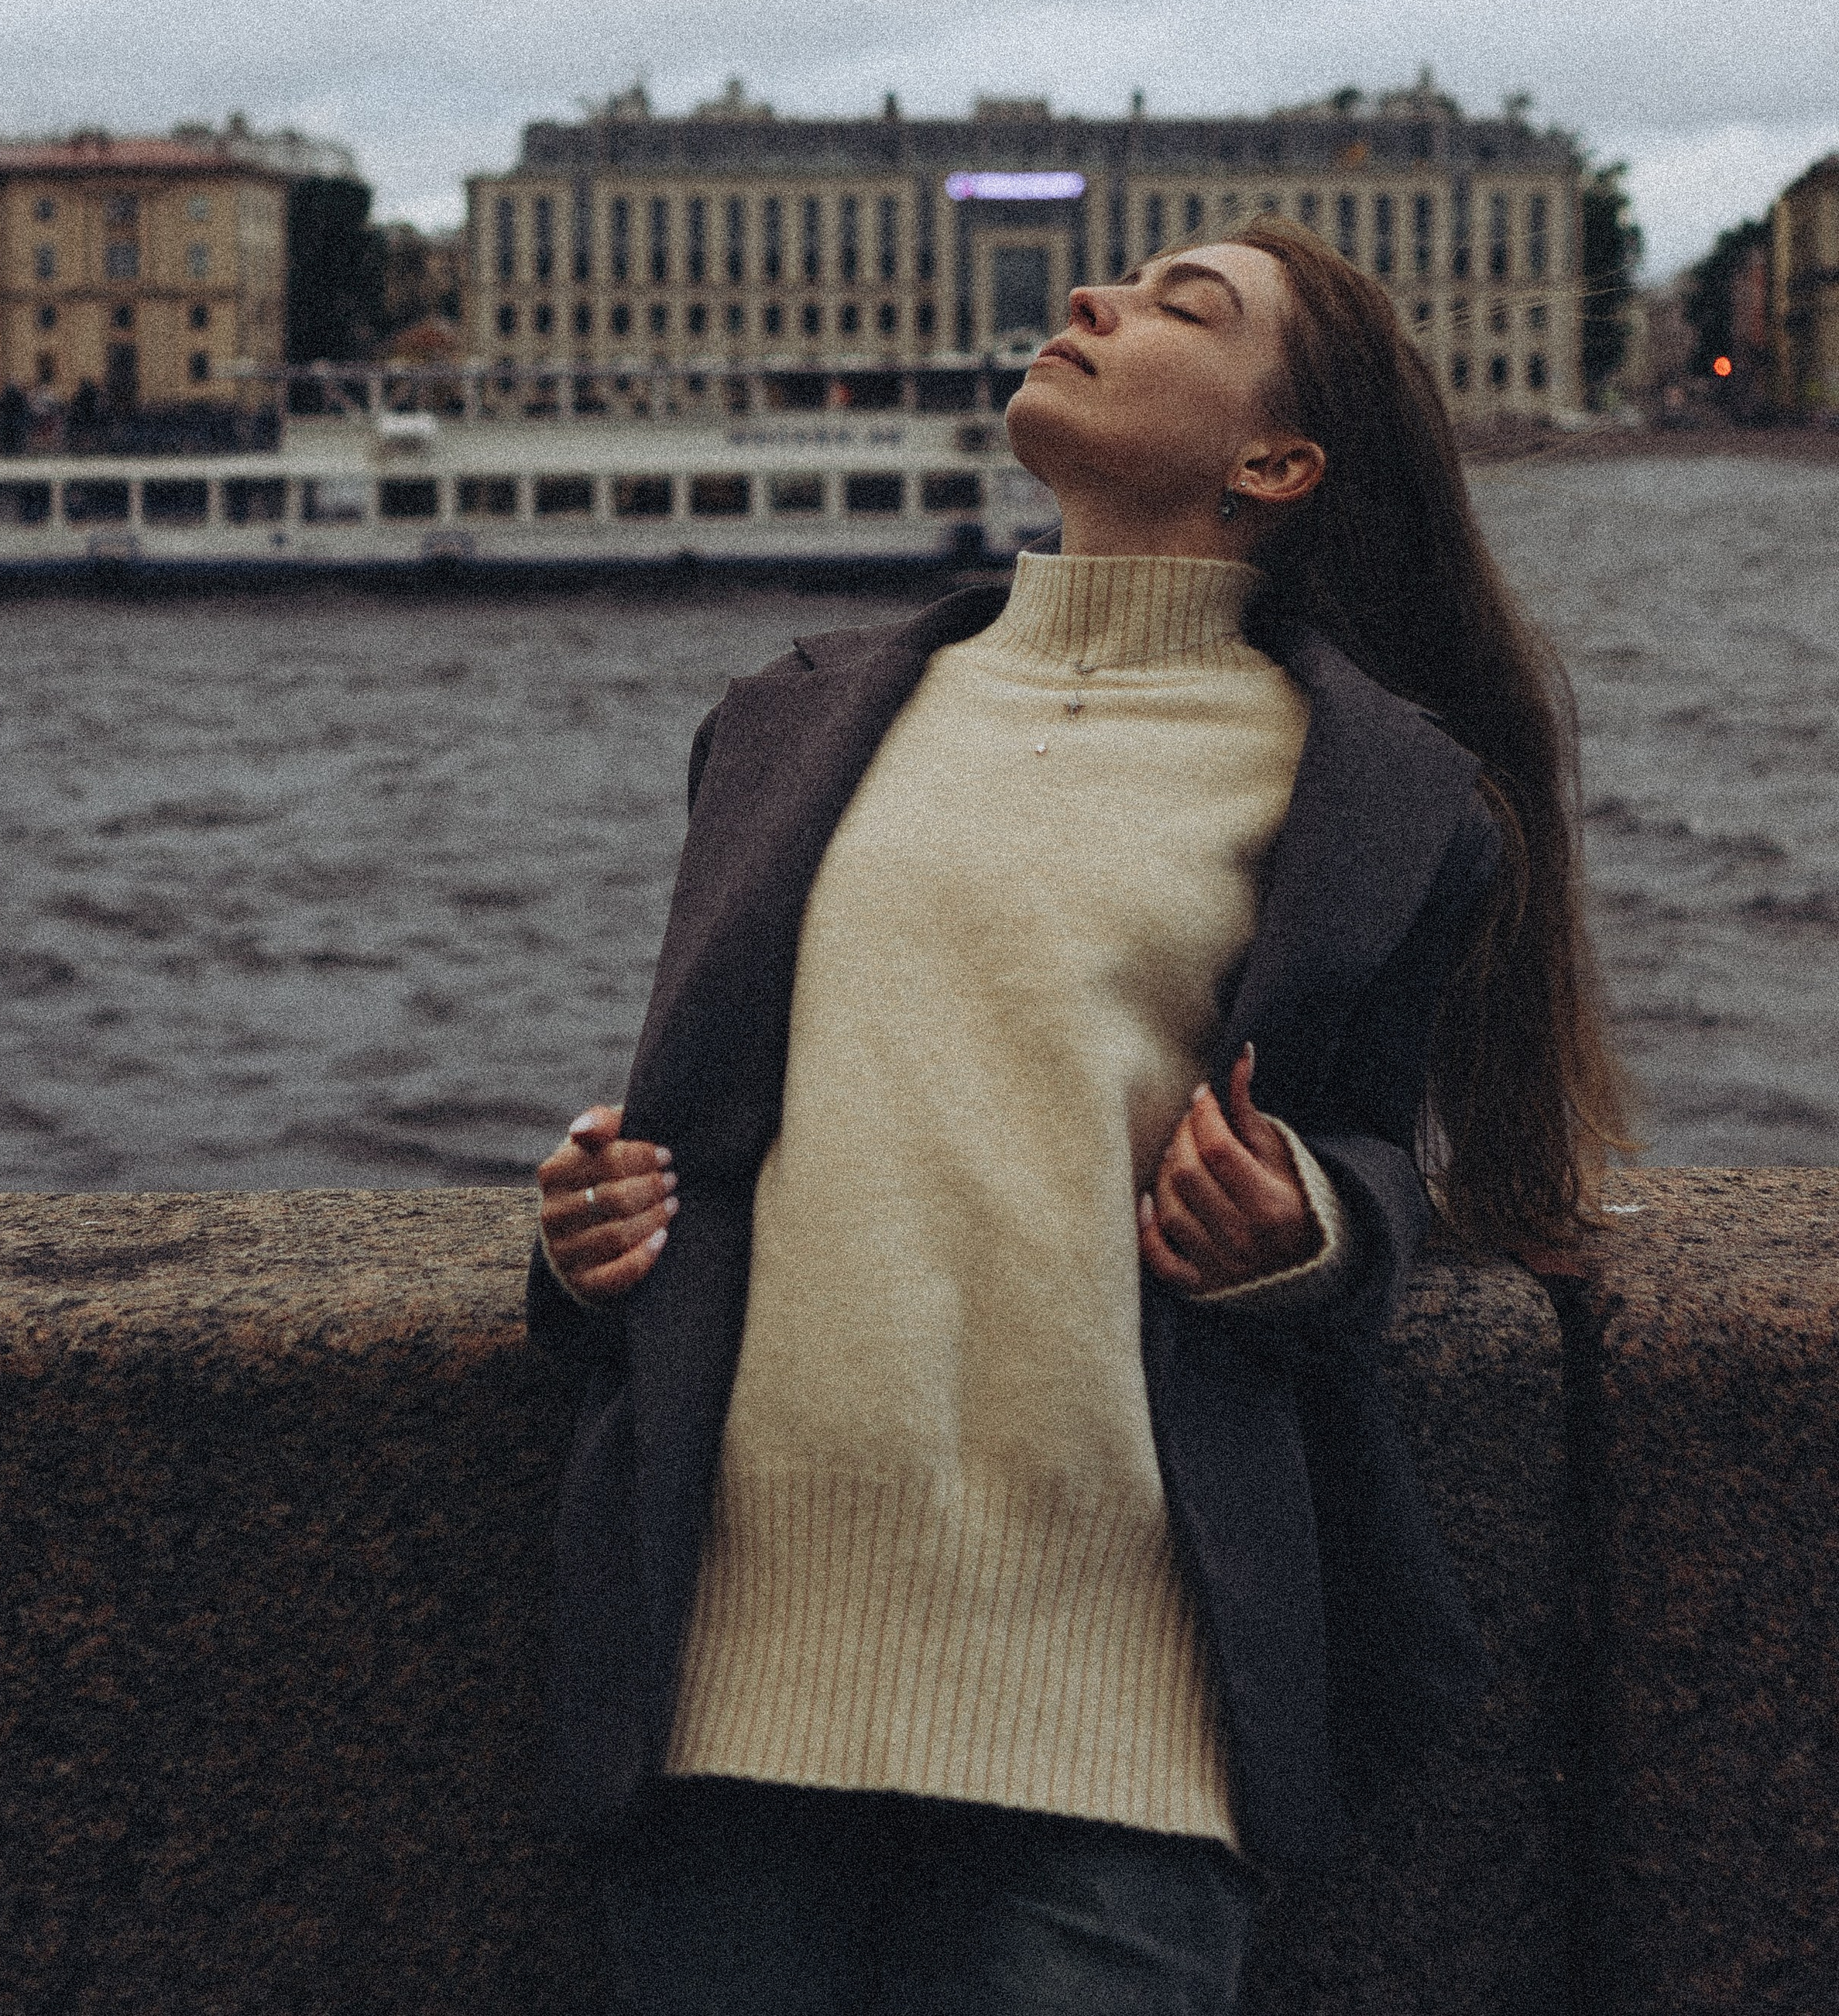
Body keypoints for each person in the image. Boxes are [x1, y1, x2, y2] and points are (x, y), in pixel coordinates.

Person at [526, 222, 1625, 2016]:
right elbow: (706, 1134)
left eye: (1183, 304)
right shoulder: (789, 721)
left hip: (1120, 1711)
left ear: (1274, 466)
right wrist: (584, 1238)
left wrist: (1308, 1229)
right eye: (1111, 279)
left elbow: (1370, 1156)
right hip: (729, 1667)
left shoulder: (1377, 794)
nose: (1093, 300)